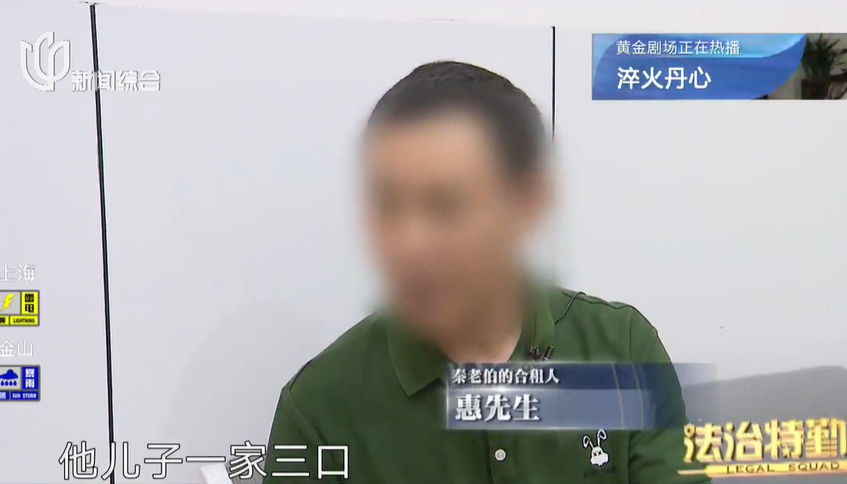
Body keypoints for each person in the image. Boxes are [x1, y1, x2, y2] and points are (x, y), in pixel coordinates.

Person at [263, 61, 707, 484]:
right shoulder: (319, 408)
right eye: (388, 205)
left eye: (445, 205)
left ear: (525, 203)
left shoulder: (620, 349)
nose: (409, 245)